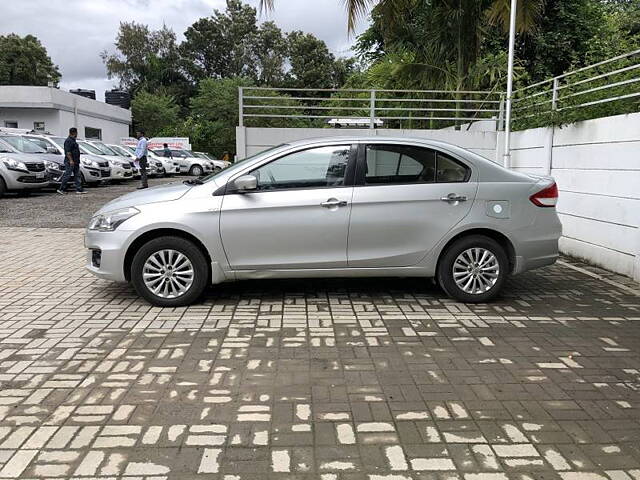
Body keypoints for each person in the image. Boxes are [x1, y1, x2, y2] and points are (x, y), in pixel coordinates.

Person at [56, 127, 86, 195]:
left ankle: (79, 189)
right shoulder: (68, 141)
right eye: (76, 133)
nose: (77, 134)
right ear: (75, 133)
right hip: (70, 162)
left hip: (75, 161)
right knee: (67, 175)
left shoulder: (73, 140)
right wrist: (71, 160)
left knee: (77, 175)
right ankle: (61, 189)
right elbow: (68, 152)